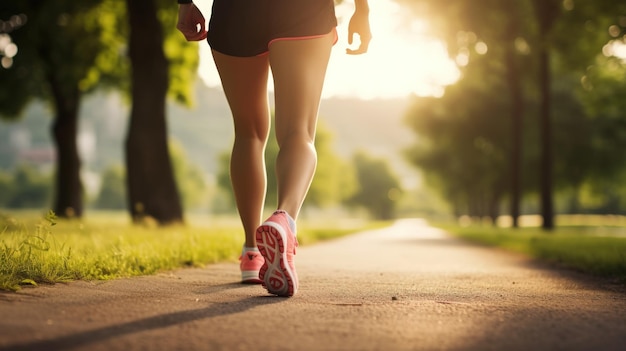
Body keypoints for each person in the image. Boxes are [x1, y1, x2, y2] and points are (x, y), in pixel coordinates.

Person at [176, 0, 371, 297]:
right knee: (298, 133)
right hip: (303, 10)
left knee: (248, 133)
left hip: (236, 13)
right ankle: (284, 220)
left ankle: (252, 252)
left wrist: (184, 3)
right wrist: (362, 10)